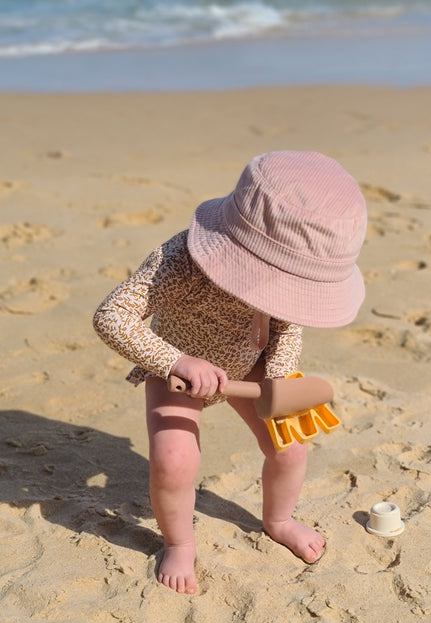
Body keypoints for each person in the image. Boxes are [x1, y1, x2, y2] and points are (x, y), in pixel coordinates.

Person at [93, 150, 367, 594]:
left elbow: (286, 327)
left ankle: (278, 519)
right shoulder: (178, 260)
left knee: (291, 448)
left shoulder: (292, 280)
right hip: (178, 372)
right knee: (174, 461)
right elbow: (112, 316)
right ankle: (179, 543)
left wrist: (277, 378)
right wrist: (175, 362)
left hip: (250, 366)